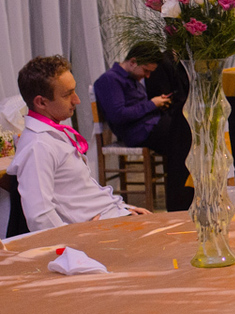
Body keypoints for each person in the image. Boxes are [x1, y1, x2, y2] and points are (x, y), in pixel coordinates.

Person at [11, 56, 150, 231]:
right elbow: (39, 217)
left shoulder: (51, 136)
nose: (77, 100)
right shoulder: (38, 146)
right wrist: (79, 237)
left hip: (111, 218)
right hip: (99, 233)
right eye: (67, 94)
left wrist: (124, 210)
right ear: (41, 102)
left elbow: (80, 194)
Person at [93, 42, 192, 211]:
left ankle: (185, 197)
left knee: (186, 128)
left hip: (150, 126)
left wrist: (156, 104)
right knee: (182, 132)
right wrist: (152, 104)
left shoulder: (132, 79)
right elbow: (118, 115)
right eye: (146, 71)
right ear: (133, 62)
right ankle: (180, 202)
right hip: (138, 133)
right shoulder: (109, 80)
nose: (147, 76)